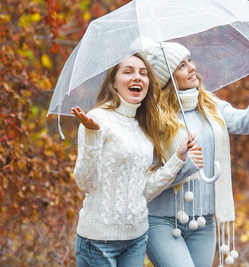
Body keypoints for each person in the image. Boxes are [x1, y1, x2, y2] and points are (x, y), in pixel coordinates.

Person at [143, 42, 249, 267]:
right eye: (181, 66)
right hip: (161, 222)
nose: (192, 68)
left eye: (189, 60)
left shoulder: (209, 104)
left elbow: (247, 123)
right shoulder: (153, 117)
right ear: (167, 78)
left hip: (204, 220)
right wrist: (186, 164)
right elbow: (149, 179)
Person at [71, 53, 203, 267]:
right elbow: (85, 183)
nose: (137, 77)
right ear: (114, 82)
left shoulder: (144, 126)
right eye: (128, 72)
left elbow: (144, 192)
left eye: (143, 73)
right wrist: (92, 135)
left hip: (136, 239)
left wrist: (178, 158)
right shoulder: (97, 119)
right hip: (97, 242)